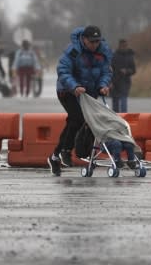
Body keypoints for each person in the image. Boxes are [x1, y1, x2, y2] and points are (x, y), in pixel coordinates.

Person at [47, 25, 112, 176]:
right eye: (92, 42)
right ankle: (66, 150)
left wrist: (103, 85)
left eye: (97, 41)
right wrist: (74, 86)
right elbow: (63, 71)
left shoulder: (103, 52)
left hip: (88, 92)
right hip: (68, 90)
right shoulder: (73, 51)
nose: (95, 45)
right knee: (77, 118)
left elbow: (106, 72)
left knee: (79, 121)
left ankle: (56, 156)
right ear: (84, 39)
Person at [110, 39, 136, 113]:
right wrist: (110, 82)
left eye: (125, 46)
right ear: (119, 46)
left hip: (125, 81)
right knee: (115, 102)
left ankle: (124, 118)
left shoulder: (130, 56)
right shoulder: (114, 56)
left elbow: (134, 70)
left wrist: (127, 71)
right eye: (123, 46)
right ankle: (116, 117)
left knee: (123, 100)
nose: (124, 47)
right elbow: (110, 69)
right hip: (115, 81)